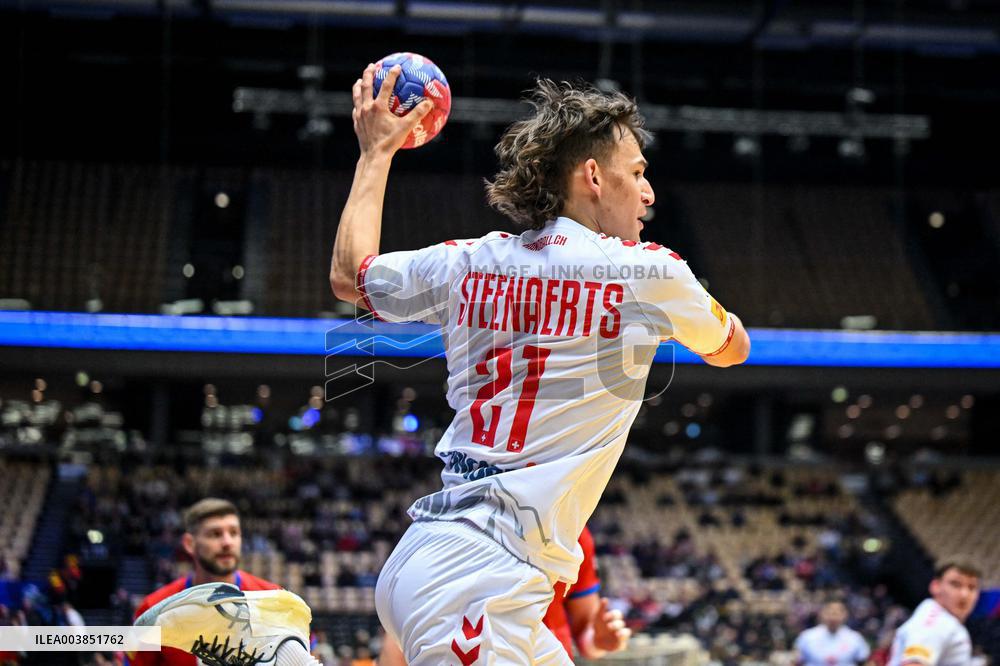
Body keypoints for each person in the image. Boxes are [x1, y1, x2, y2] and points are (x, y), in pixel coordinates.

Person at [138, 62, 748, 666]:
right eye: (637, 173)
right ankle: (276, 654)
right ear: (593, 175)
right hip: (480, 576)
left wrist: (376, 153)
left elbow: (351, 278)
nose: (648, 192)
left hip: (459, 560)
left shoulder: (470, 260)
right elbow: (732, 349)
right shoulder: (652, 272)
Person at [377, 526, 630, 664]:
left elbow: (585, 634)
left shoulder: (572, 532)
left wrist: (598, 640)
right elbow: (400, 638)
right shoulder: (451, 531)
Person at [128, 498, 295, 666]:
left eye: (234, 533)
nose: (227, 542)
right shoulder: (154, 609)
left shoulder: (275, 601)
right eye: (215, 534)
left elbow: (304, 655)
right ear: (190, 543)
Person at [887, 561, 980, 666]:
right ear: (936, 586)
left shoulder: (942, 618)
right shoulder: (937, 621)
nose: (964, 594)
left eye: (972, 587)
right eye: (955, 584)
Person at [793, 600, 870, 666]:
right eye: (830, 612)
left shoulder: (855, 638)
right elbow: (796, 662)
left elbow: (864, 662)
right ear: (823, 614)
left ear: (845, 615)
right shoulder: (807, 636)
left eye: (837, 613)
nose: (833, 617)